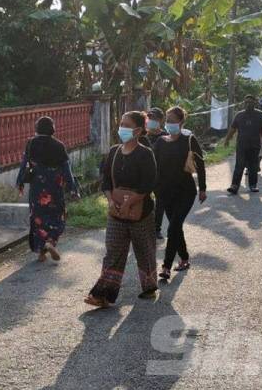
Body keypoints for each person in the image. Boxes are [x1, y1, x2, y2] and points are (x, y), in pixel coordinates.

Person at [84, 111, 158, 308]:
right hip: (116, 212)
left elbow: (149, 183)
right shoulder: (114, 152)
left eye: (126, 124)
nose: (121, 127)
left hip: (141, 212)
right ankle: (103, 295)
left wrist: (130, 202)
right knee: (113, 252)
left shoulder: (145, 153)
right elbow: (106, 180)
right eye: (121, 123)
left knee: (144, 250)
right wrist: (110, 200)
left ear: (138, 130)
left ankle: (149, 286)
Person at [154, 107, 207, 280]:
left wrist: (203, 189)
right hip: (165, 193)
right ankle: (184, 258)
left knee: (173, 227)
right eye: (167, 120)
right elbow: (152, 166)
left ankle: (166, 266)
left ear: (181, 122)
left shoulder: (189, 140)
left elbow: (200, 165)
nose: (169, 123)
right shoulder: (160, 142)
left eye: (172, 120)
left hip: (186, 192)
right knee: (176, 228)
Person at [16, 117, 79, 262]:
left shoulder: (31, 143)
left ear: (37, 128)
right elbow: (66, 169)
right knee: (57, 216)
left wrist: (20, 182)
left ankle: (41, 252)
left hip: (37, 188)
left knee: (38, 219)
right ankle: (50, 243)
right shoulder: (59, 145)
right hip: (54, 187)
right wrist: (73, 188)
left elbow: (24, 164)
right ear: (52, 128)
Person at [226, 95, 262, 194]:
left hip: (254, 145)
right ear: (244, 103)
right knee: (239, 165)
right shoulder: (239, 115)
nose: (248, 104)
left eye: (250, 102)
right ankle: (234, 186)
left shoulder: (260, 115)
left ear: (254, 103)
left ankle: (253, 185)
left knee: (253, 166)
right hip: (241, 145)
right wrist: (227, 139)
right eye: (246, 102)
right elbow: (233, 129)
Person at [145, 107, 168, 240]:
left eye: (154, 119)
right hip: (145, 175)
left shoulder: (165, 137)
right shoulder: (143, 136)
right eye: (150, 118)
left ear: (161, 120)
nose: (151, 121)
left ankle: (156, 229)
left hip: (160, 175)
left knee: (160, 203)